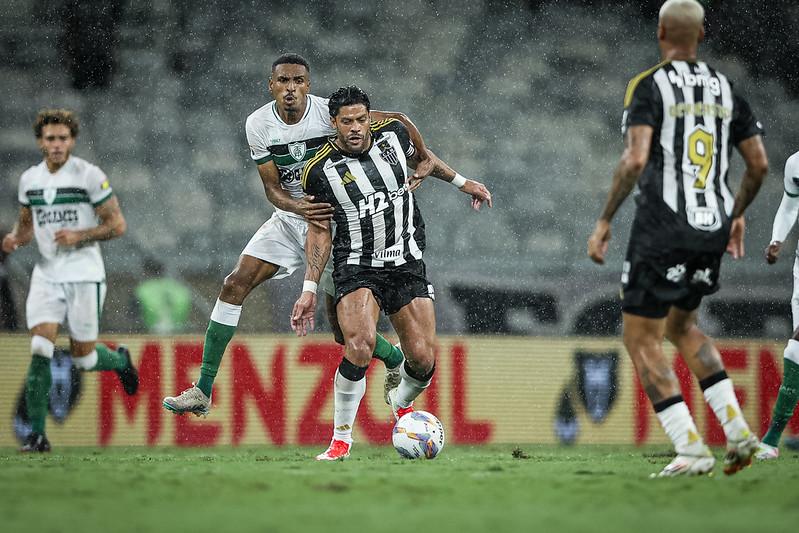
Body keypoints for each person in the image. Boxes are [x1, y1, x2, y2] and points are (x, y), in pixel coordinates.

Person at [163, 53, 462, 416]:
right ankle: (203, 390)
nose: (291, 89)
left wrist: (457, 179)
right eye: (283, 82)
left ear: (308, 84)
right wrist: (297, 208)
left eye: (298, 81)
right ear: (271, 85)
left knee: (343, 334)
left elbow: (397, 122)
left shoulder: (329, 113)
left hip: (339, 228)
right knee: (233, 283)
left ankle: (395, 359)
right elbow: (272, 189)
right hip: (292, 219)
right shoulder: (257, 125)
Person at [587, 0, 768, 476]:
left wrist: (605, 219)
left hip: (663, 227)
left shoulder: (651, 86)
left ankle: (690, 448)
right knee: (683, 327)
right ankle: (739, 433)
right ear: (702, 34)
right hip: (711, 226)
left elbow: (634, 159)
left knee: (641, 338)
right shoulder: (727, 88)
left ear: (662, 30)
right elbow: (759, 164)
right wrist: (736, 213)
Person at [291, 85, 492, 460]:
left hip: (405, 262)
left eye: (361, 119)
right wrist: (308, 287)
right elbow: (320, 230)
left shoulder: (394, 135)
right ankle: (340, 441)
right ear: (333, 123)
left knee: (422, 359)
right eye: (346, 121)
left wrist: (465, 184)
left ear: (371, 118)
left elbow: (425, 160)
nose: (354, 128)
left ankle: (400, 404)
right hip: (356, 265)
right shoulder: (318, 171)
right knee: (360, 344)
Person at [2, 109, 139, 453]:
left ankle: (120, 360)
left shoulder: (89, 176)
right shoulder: (30, 180)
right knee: (40, 347)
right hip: (47, 274)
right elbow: (26, 222)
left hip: (84, 273)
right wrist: (16, 238)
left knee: (84, 359)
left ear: (72, 140)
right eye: (50, 138)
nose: (57, 144)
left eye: (63, 138)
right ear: (40, 142)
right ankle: (36, 435)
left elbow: (117, 225)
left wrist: (80, 235)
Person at [756, 150, 799, 460]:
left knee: (797, 344)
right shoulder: (795, 164)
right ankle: (772, 441)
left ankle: (771, 439)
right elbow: (789, 204)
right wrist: (777, 238)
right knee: (797, 352)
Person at [135, 257, 192, 334]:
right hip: (177, 333)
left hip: (151, 333)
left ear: (147, 271)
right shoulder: (179, 288)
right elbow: (185, 308)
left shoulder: (143, 289)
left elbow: (133, 314)